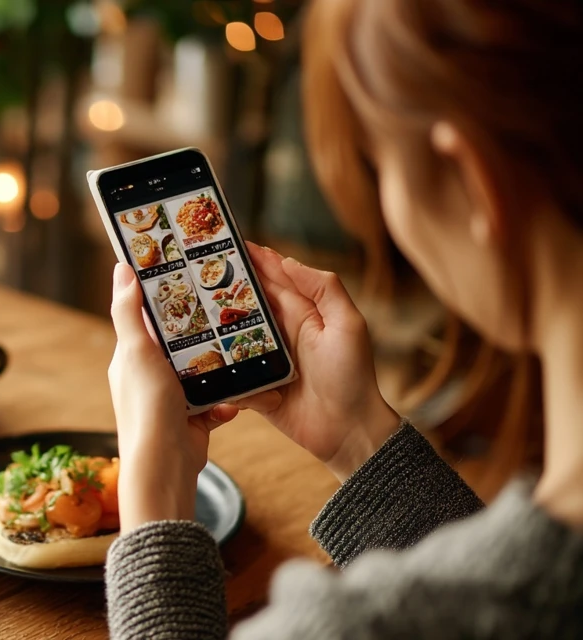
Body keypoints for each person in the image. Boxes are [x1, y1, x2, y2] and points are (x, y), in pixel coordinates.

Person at [104, 0, 583, 637]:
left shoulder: (354, 625)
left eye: (377, 164)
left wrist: (154, 496)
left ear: (472, 180)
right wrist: (358, 436)